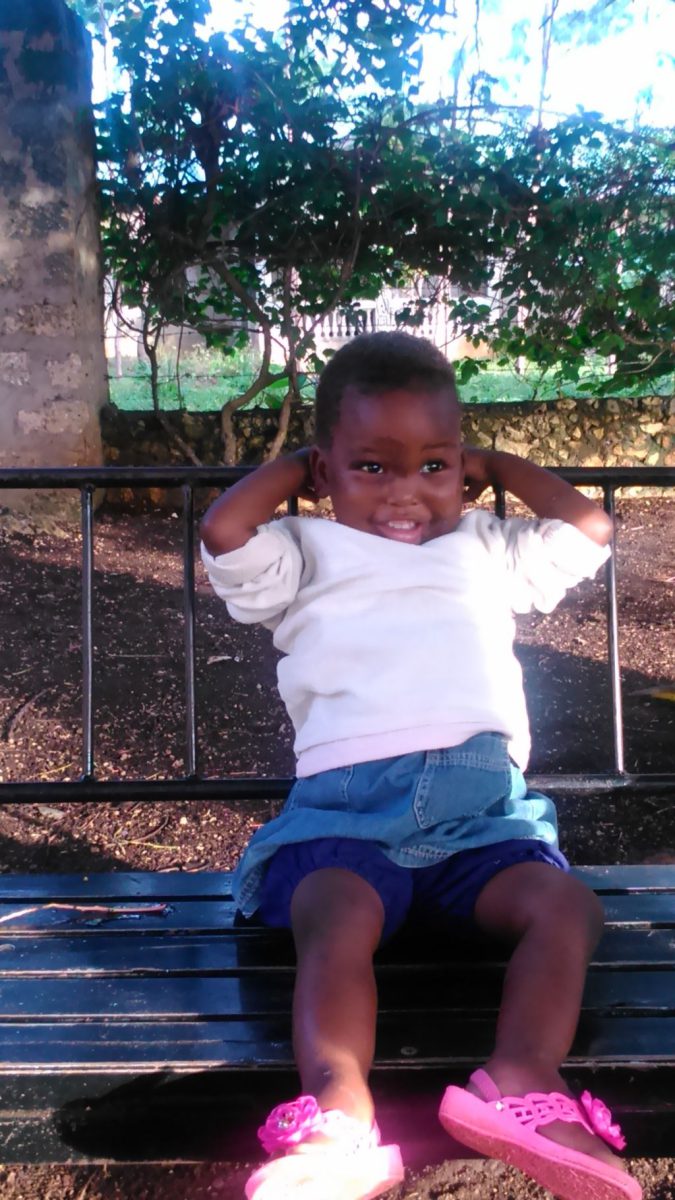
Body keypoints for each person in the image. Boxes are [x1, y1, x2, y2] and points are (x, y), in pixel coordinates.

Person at [200, 332, 641, 1200]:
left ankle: (522, 1079)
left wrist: (489, 464)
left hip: (482, 826)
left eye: (433, 465)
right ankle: (338, 1118)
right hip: (345, 822)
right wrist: (308, 469)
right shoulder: (302, 552)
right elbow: (225, 529)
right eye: (372, 466)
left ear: (463, 471)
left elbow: (588, 527)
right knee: (333, 917)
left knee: (566, 906)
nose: (405, 492)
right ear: (325, 471)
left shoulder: (485, 546)